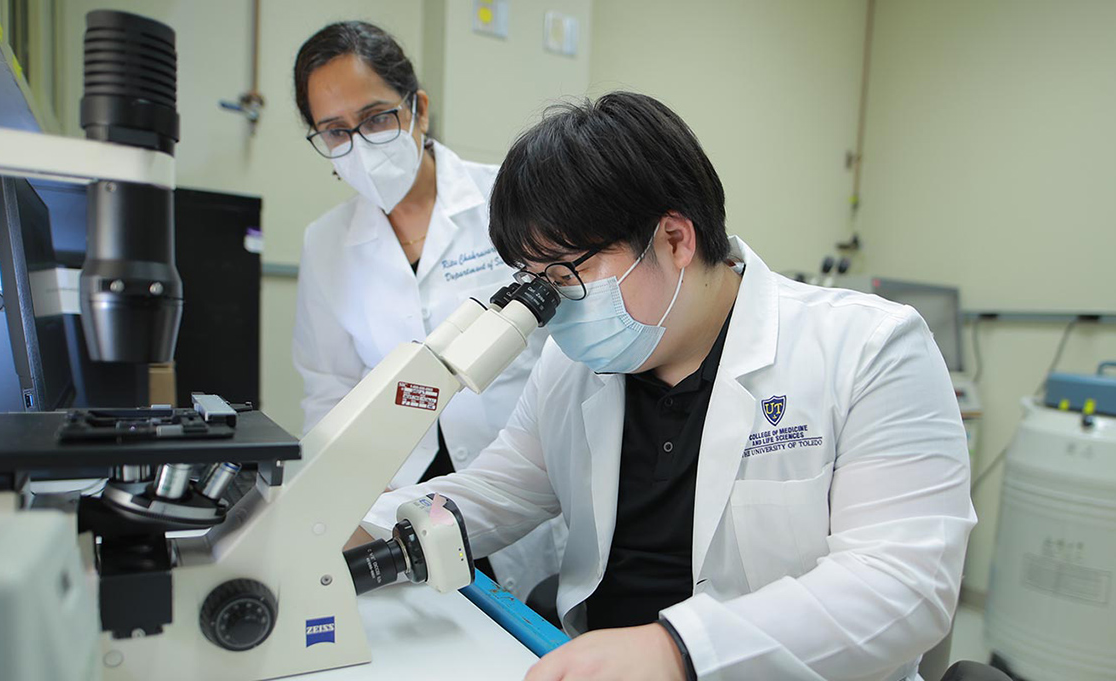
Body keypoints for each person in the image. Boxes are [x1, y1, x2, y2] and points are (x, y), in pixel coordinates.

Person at [355, 92, 976, 680]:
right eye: (533, 277)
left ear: (676, 239)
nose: (553, 305)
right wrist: (353, 529)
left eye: (570, 273)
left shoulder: (868, 347)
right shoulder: (573, 364)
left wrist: (680, 649)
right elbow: (500, 489)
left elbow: (904, 584)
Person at [290, 21, 562, 601]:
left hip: (523, 478)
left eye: (377, 118)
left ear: (419, 110)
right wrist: (343, 498)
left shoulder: (510, 199)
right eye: (335, 132)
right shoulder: (325, 242)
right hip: (399, 490)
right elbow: (329, 389)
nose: (360, 144)